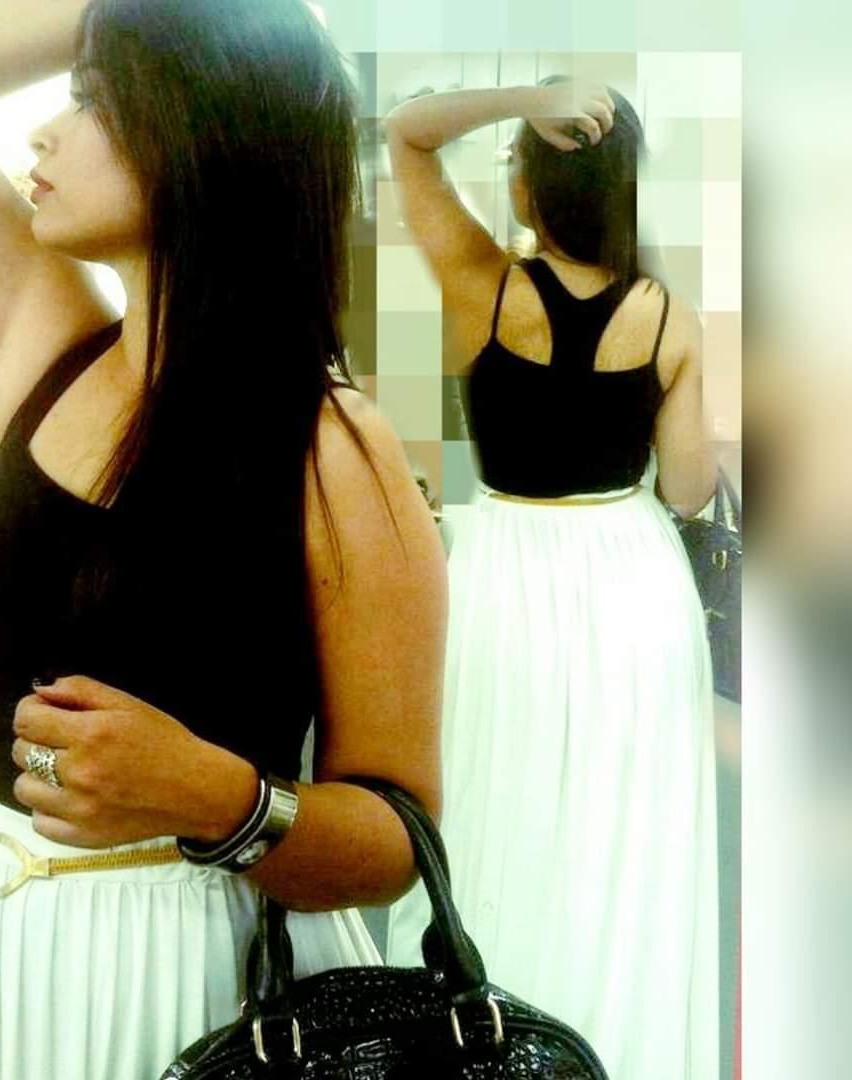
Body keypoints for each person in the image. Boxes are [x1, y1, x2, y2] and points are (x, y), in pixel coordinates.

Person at [0, 2, 447, 1077]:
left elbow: (400, 836)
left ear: (200, 134)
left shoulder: (330, 446)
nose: (42, 132)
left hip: (195, 973)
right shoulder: (50, 342)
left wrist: (216, 795)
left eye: (93, 100)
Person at [382, 77, 718, 1078]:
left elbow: (407, 136)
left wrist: (526, 97)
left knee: (494, 815)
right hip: (632, 584)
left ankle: (482, 1047)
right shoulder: (670, 317)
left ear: (529, 183)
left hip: (503, 576)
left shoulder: (484, 282)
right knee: (622, 843)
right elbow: (691, 489)